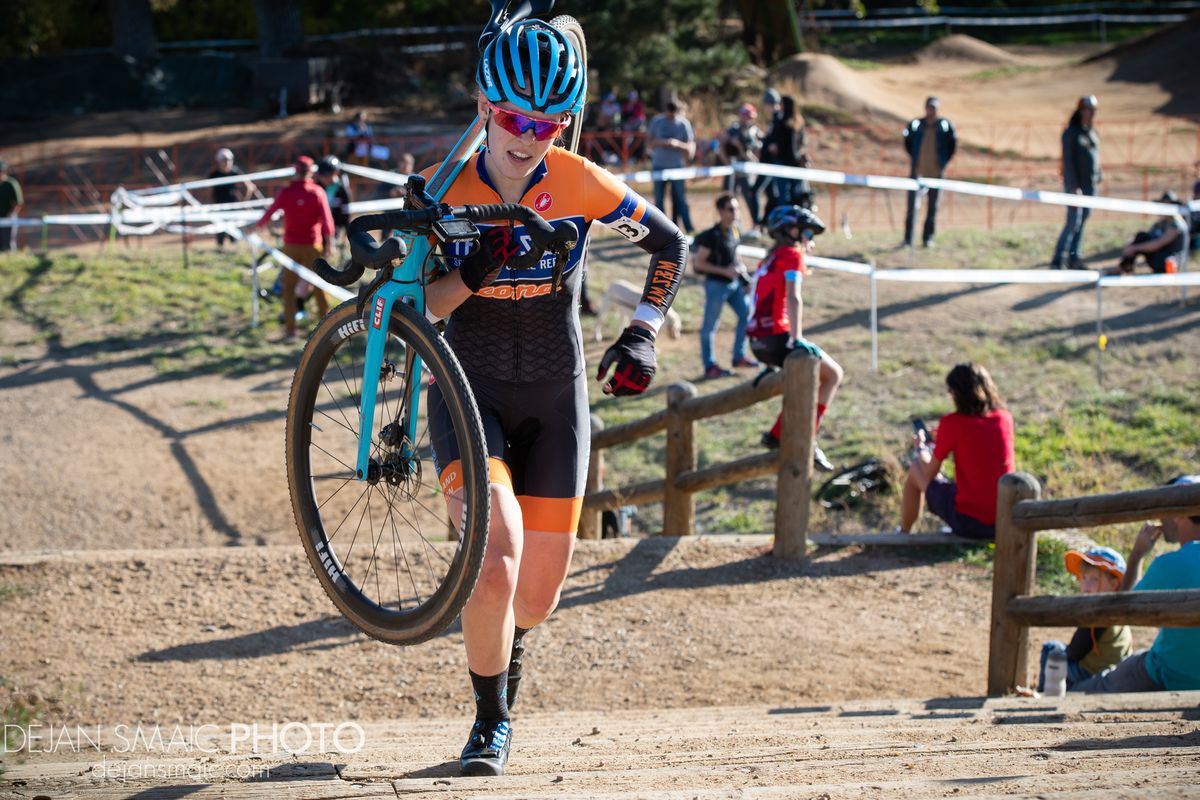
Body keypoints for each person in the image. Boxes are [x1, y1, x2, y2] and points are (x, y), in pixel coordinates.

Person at [423, 19, 686, 777]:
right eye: (512, 117)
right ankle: (489, 723)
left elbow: (668, 246)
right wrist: (472, 273)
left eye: (544, 123)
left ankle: (512, 649)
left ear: (563, 122)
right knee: (493, 562)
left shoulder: (579, 183)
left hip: (556, 396)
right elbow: (415, 309)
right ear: (483, 107)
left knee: (534, 597)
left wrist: (642, 332)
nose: (527, 136)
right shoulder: (443, 191)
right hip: (466, 395)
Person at [1072, 475, 1200, 693]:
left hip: (1168, 675)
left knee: (1085, 691)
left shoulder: (1168, 564)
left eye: (1166, 507)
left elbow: (1122, 609)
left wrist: (1137, 556)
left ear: (1180, 513)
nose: (1161, 516)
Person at [748, 204, 841, 472]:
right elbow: (793, 297)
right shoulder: (791, 255)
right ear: (791, 231)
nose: (810, 241)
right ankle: (805, 438)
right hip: (777, 337)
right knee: (834, 375)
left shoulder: (767, 259)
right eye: (808, 234)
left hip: (758, 342)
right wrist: (796, 338)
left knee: (807, 381)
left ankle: (778, 432)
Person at [898, 363, 1014, 539]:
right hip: (1003, 517)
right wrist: (942, 436)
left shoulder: (952, 423)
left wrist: (921, 448)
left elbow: (929, 473)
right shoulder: (1004, 417)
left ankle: (903, 533)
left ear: (956, 394)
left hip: (971, 523)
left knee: (916, 469)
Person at [254, 156, 334, 340]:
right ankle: (328, 327)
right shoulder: (317, 192)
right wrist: (329, 244)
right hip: (313, 246)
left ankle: (290, 329)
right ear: (311, 171)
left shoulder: (286, 192)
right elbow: (327, 221)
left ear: (295, 171)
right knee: (319, 285)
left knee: (288, 287)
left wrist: (258, 226)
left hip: (291, 247)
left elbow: (269, 213)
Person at [1037, 547, 1132, 693]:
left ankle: (1046, 692)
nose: (1086, 586)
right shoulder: (1118, 608)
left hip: (1090, 674)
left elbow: (1075, 651)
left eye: (1094, 580)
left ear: (1114, 585)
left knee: (1051, 649)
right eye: (1084, 578)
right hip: (1114, 672)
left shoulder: (1097, 612)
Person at [693, 193, 756, 379]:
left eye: (736, 208)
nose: (735, 212)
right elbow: (699, 265)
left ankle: (738, 356)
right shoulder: (710, 236)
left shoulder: (734, 231)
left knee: (746, 315)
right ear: (720, 211)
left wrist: (744, 279)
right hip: (716, 286)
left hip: (733, 285)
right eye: (731, 209)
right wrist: (724, 271)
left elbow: (735, 257)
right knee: (710, 327)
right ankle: (709, 366)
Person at [1051, 95, 1101, 269]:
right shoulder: (1071, 133)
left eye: (1094, 110)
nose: (1091, 113)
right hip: (1076, 186)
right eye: (1089, 109)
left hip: (1091, 185)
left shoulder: (1092, 132)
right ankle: (1059, 258)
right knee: (1074, 221)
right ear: (1081, 111)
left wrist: (1098, 176)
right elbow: (1068, 162)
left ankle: (1074, 257)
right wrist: (1073, 186)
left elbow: (1095, 157)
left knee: (1083, 221)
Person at [902, 96, 956, 248]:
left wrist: (942, 163)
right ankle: (908, 239)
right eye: (929, 107)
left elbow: (952, 145)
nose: (931, 111)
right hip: (918, 172)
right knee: (912, 208)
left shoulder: (944, 126)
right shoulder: (917, 125)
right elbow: (907, 142)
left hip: (936, 173)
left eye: (934, 108)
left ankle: (928, 238)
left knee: (932, 208)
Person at [647, 99, 696, 234]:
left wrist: (676, 144)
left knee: (680, 199)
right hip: (659, 167)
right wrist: (662, 142)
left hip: (677, 167)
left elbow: (690, 146)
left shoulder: (683, 124)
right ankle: (659, 230)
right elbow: (649, 142)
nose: (671, 116)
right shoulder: (657, 121)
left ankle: (688, 228)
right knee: (659, 200)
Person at [1110, 191, 1188, 274]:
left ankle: (1124, 268)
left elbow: (1157, 244)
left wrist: (1135, 248)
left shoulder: (1176, 225)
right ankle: (1125, 267)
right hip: (1159, 256)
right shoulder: (1161, 223)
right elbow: (1148, 237)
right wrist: (1130, 244)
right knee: (1141, 236)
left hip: (1169, 262)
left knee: (1141, 240)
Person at [759, 95, 808, 219]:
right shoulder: (798, 122)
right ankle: (793, 220)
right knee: (793, 194)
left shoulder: (783, 123)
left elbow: (781, 145)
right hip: (793, 163)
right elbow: (801, 144)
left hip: (784, 164)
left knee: (784, 197)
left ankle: (786, 220)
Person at [723, 103, 763, 227]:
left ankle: (756, 225)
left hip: (747, 171)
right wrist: (726, 161)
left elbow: (755, 156)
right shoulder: (733, 130)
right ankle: (732, 225)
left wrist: (741, 148)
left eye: (749, 116)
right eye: (744, 115)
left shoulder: (755, 132)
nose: (746, 119)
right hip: (732, 170)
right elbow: (721, 146)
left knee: (751, 198)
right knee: (729, 199)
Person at [208, 148, 255, 251]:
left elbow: (250, 186)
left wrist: (244, 201)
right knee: (220, 229)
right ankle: (220, 249)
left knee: (233, 229)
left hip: (233, 206)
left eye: (229, 160)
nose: (227, 162)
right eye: (224, 160)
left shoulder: (235, 172)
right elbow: (208, 191)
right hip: (219, 206)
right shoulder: (214, 174)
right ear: (219, 161)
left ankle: (234, 249)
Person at [313, 156, 352, 258]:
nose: (323, 179)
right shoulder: (317, 186)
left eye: (326, 176)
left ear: (335, 173)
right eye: (321, 176)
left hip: (334, 225)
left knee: (326, 252)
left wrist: (347, 231)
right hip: (318, 224)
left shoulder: (342, 189)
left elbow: (345, 213)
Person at [0, 160, 24, 253]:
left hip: (8, 218)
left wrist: (11, 214)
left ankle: (9, 260)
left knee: (8, 243)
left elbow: (19, 202)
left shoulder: (11, 183)